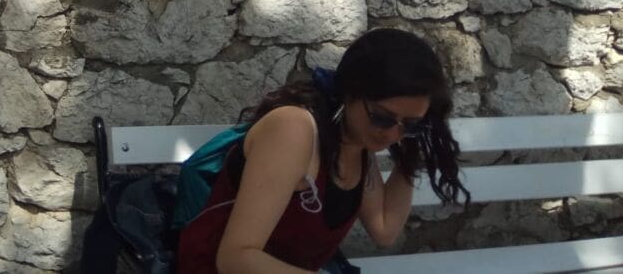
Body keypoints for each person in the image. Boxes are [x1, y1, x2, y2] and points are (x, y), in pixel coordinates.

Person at [177, 28, 468, 274]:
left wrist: (413, 146)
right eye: (382, 118)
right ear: (351, 91)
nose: (393, 134)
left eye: (411, 124)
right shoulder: (294, 129)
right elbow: (236, 258)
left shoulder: (356, 144)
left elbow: (384, 229)